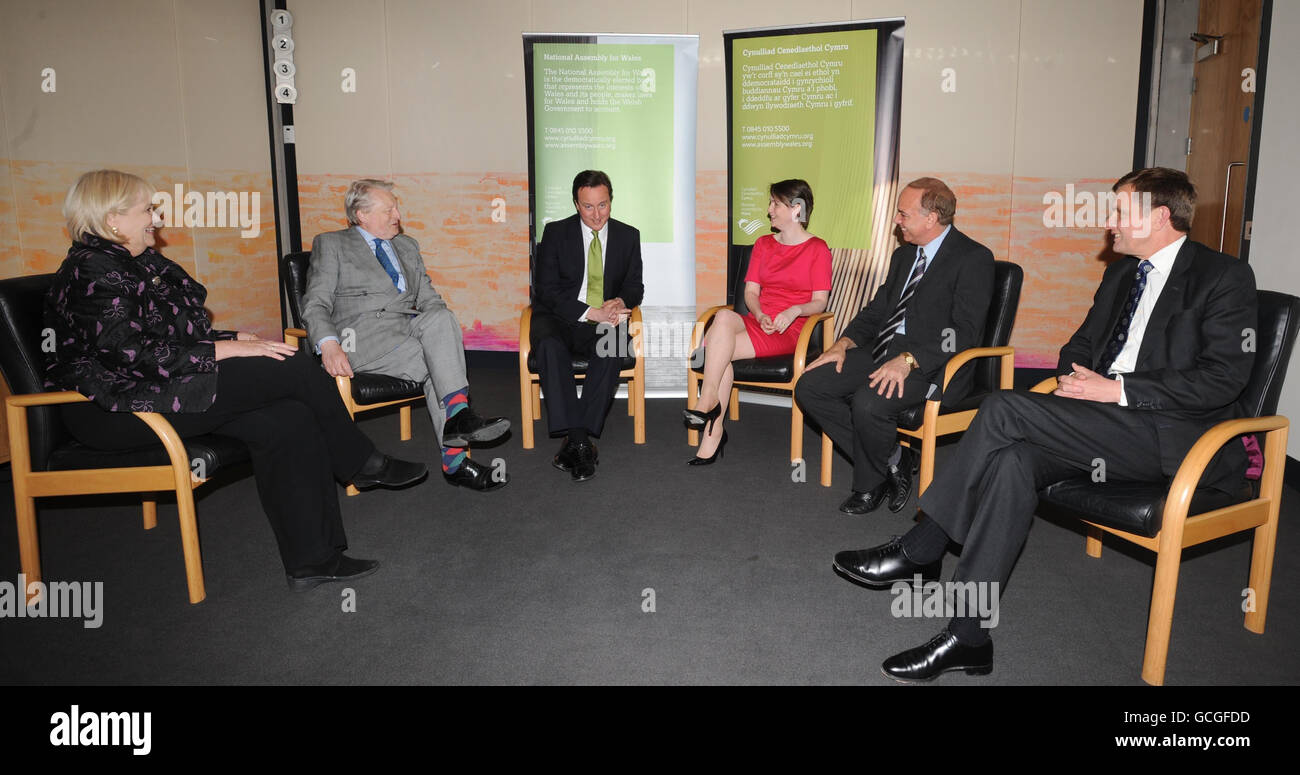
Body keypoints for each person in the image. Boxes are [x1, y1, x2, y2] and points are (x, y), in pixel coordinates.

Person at [832, 167, 1258, 681]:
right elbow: (1077, 345)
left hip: (1173, 437)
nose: (1109, 223)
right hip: (1099, 424)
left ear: (1159, 216)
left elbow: (1223, 380)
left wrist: (1119, 390)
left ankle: (923, 547)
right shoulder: (1123, 273)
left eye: (1120, 211)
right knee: (1013, 461)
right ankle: (968, 636)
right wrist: (1079, 380)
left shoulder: (1223, 277)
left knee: (1003, 407)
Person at [45, 170, 427, 592]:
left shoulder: (134, 261)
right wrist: (221, 351)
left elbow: (166, 336)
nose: (157, 217)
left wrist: (230, 338)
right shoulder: (91, 270)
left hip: (158, 388)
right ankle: (362, 463)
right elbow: (128, 352)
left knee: (289, 418)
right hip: (114, 409)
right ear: (113, 219)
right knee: (295, 367)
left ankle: (315, 561)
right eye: (147, 209)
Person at [796, 178, 994, 514]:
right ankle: (894, 458)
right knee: (811, 386)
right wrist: (842, 344)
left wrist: (909, 359)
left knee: (868, 402)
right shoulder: (904, 256)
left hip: (934, 362)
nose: (896, 220)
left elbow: (964, 332)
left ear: (931, 218)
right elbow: (876, 311)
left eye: (903, 214)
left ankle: (869, 484)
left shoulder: (973, 258)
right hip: (883, 348)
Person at [304, 179, 509, 492]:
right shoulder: (332, 244)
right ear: (361, 215)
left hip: (407, 329)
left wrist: (444, 323)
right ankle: (455, 454)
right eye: (389, 209)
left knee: (441, 321)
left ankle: (457, 418)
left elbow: (429, 297)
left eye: (396, 207)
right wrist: (328, 344)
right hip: (360, 338)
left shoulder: (407, 245)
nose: (397, 215)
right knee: (439, 363)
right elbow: (315, 302)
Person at [684, 179, 832, 465]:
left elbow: (820, 301)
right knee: (724, 318)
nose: (769, 210)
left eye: (775, 204)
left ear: (796, 209)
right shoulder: (763, 244)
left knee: (717, 350)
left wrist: (792, 311)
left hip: (792, 330)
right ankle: (712, 403)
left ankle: (712, 423)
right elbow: (750, 293)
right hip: (759, 321)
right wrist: (761, 313)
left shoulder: (817, 249)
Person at [531, 170, 644, 482]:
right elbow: (547, 291)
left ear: (611, 200)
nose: (597, 215)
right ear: (576, 204)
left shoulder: (627, 235)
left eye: (603, 205)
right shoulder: (555, 233)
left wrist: (620, 300)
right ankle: (582, 440)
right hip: (560, 317)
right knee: (549, 346)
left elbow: (636, 286)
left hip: (605, 318)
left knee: (612, 346)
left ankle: (576, 440)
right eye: (588, 207)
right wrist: (589, 312)